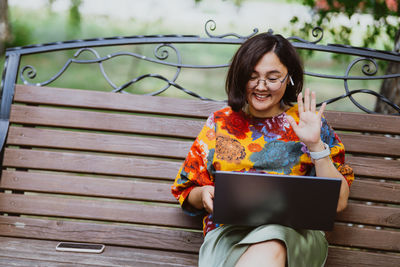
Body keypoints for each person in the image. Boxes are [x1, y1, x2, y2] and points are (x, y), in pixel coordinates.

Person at [171, 33, 354, 267]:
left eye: (272, 78)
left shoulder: (308, 123)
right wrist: (204, 194)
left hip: (295, 237)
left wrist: (316, 145)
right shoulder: (219, 123)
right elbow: (187, 190)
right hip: (229, 236)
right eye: (252, 76)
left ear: (289, 78)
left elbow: (337, 203)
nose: (261, 86)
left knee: (273, 241)